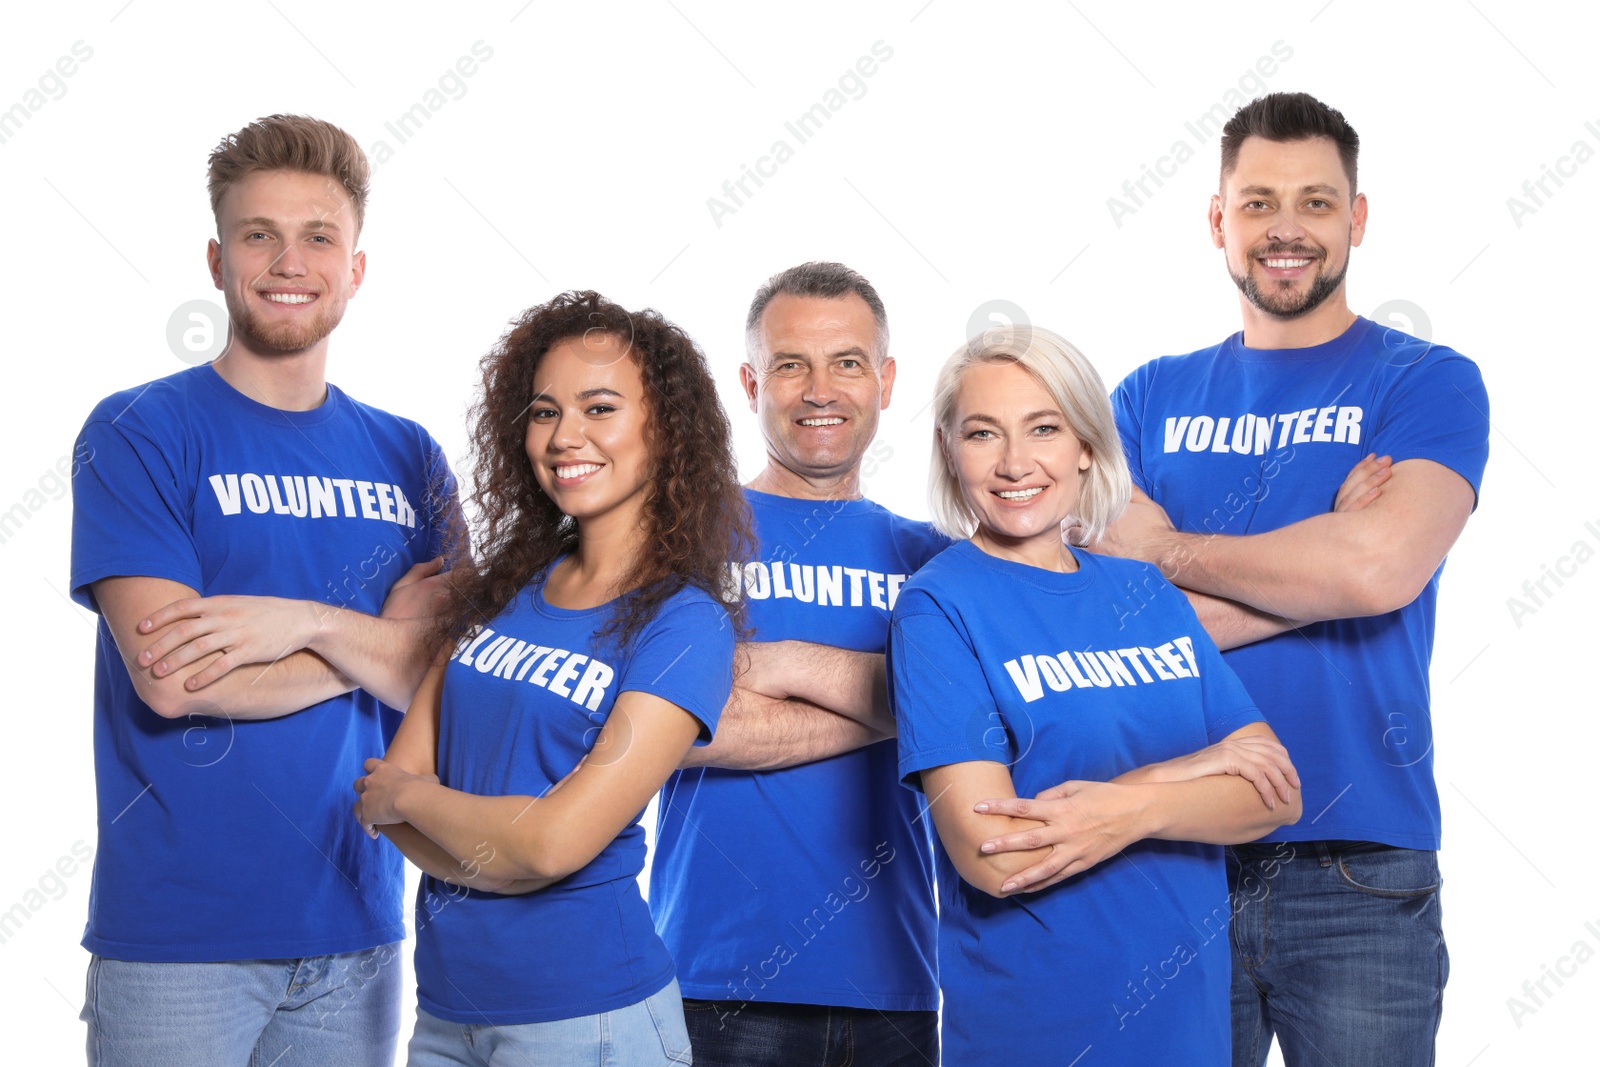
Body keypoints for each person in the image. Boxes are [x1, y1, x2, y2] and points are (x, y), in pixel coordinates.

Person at [1090, 93, 1489, 1065]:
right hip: (1169, 841)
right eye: (1259, 201)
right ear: (1217, 220)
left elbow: (1377, 564)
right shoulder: (1146, 397)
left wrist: (1168, 550)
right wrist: (1318, 568)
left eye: (1315, 202)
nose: (1286, 229)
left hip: (1359, 863)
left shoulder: (1425, 382)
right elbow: (1103, 621)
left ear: (1355, 219)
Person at [69, 115, 458, 1066]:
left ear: (357, 267)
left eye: (320, 236)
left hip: (358, 931)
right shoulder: (139, 432)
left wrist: (305, 626)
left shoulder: (411, 457)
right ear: (217, 258)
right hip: (177, 944)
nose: (291, 261)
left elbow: (450, 680)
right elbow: (172, 676)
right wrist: (373, 645)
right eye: (259, 235)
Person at [888, 325, 1303, 1066]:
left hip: (1189, 1033)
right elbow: (994, 854)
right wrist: (1193, 771)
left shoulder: (1143, 591)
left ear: (1084, 444)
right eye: (984, 433)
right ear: (952, 452)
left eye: (1043, 428)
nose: (1016, 462)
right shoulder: (939, 605)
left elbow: (1275, 793)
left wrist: (1132, 804)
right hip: (1039, 1031)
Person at [351, 290, 748, 1065]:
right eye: (544, 411)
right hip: (444, 1016)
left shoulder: (684, 623)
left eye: (600, 407)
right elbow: (382, 794)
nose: (566, 436)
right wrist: (499, 852)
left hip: (589, 1019)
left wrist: (424, 806)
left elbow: (554, 841)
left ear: (663, 430)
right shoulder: (506, 587)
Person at [651, 262, 945, 1065]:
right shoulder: (679, 539)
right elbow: (663, 732)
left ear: (885, 380)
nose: (822, 389)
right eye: (791, 365)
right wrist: (911, 707)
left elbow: (995, 717)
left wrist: (775, 665)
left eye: (847, 362)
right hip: (714, 980)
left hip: (897, 981)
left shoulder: (933, 559)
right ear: (750, 382)